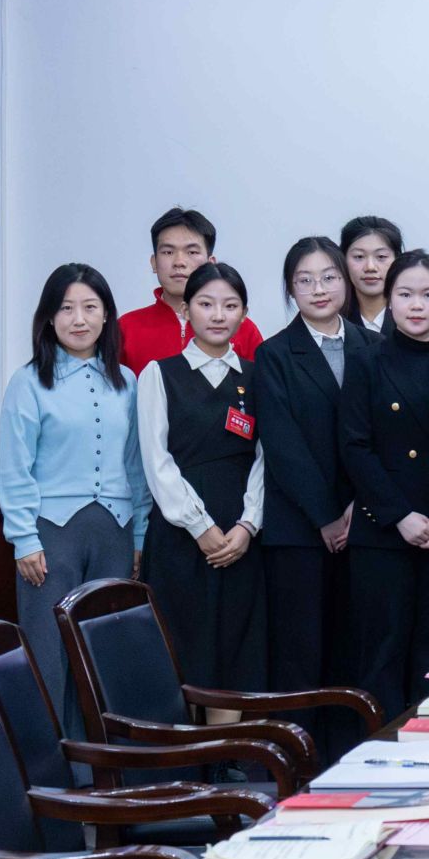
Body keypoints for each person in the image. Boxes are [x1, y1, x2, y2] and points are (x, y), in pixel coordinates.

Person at [0, 264, 148, 738]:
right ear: (49, 317)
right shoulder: (28, 382)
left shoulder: (127, 381)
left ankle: (108, 765)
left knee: (107, 651)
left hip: (115, 530)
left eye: (89, 307)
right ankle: (53, 769)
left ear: (106, 315)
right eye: (65, 308)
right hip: (51, 534)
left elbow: (136, 465)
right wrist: (24, 538)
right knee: (49, 655)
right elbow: (15, 466)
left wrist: (140, 535)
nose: (78, 319)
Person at [339, 251, 429, 718]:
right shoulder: (364, 361)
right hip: (382, 533)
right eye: (405, 294)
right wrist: (399, 514)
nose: (417, 305)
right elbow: (355, 446)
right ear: (389, 299)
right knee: (381, 655)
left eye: (428, 294)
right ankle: (378, 754)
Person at [252, 237, 370, 756]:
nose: (319, 289)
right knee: (299, 652)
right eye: (305, 280)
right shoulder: (274, 354)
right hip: (298, 529)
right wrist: (325, 515)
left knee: (354, 647)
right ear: (290, 288)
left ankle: (352, 759)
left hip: (365, 523)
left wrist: (357, 506)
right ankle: (296, 764)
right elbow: (283, 446)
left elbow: (379, 439)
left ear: (346, 281)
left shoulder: (372, 345)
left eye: (329, 277)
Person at [136, 262, 267, 692]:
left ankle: (232, 736)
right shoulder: (159, 374)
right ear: (186, 310)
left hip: (242, 536)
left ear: (244, 313)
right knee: (182, 649)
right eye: (206, 304)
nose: (218, 315)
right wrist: (199, 525)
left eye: (230, 305)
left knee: (237, 649)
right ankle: (185, 739)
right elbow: (156, 460)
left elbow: (265, 459)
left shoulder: (258, 376)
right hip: (180, 535)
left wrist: (249, 524)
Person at [119, 207, 263, 375]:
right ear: (154, 262)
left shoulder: (242, 328)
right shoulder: (126, 329)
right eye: (168, 252)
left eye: (192, 252)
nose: (179, 262)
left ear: (211, 263)